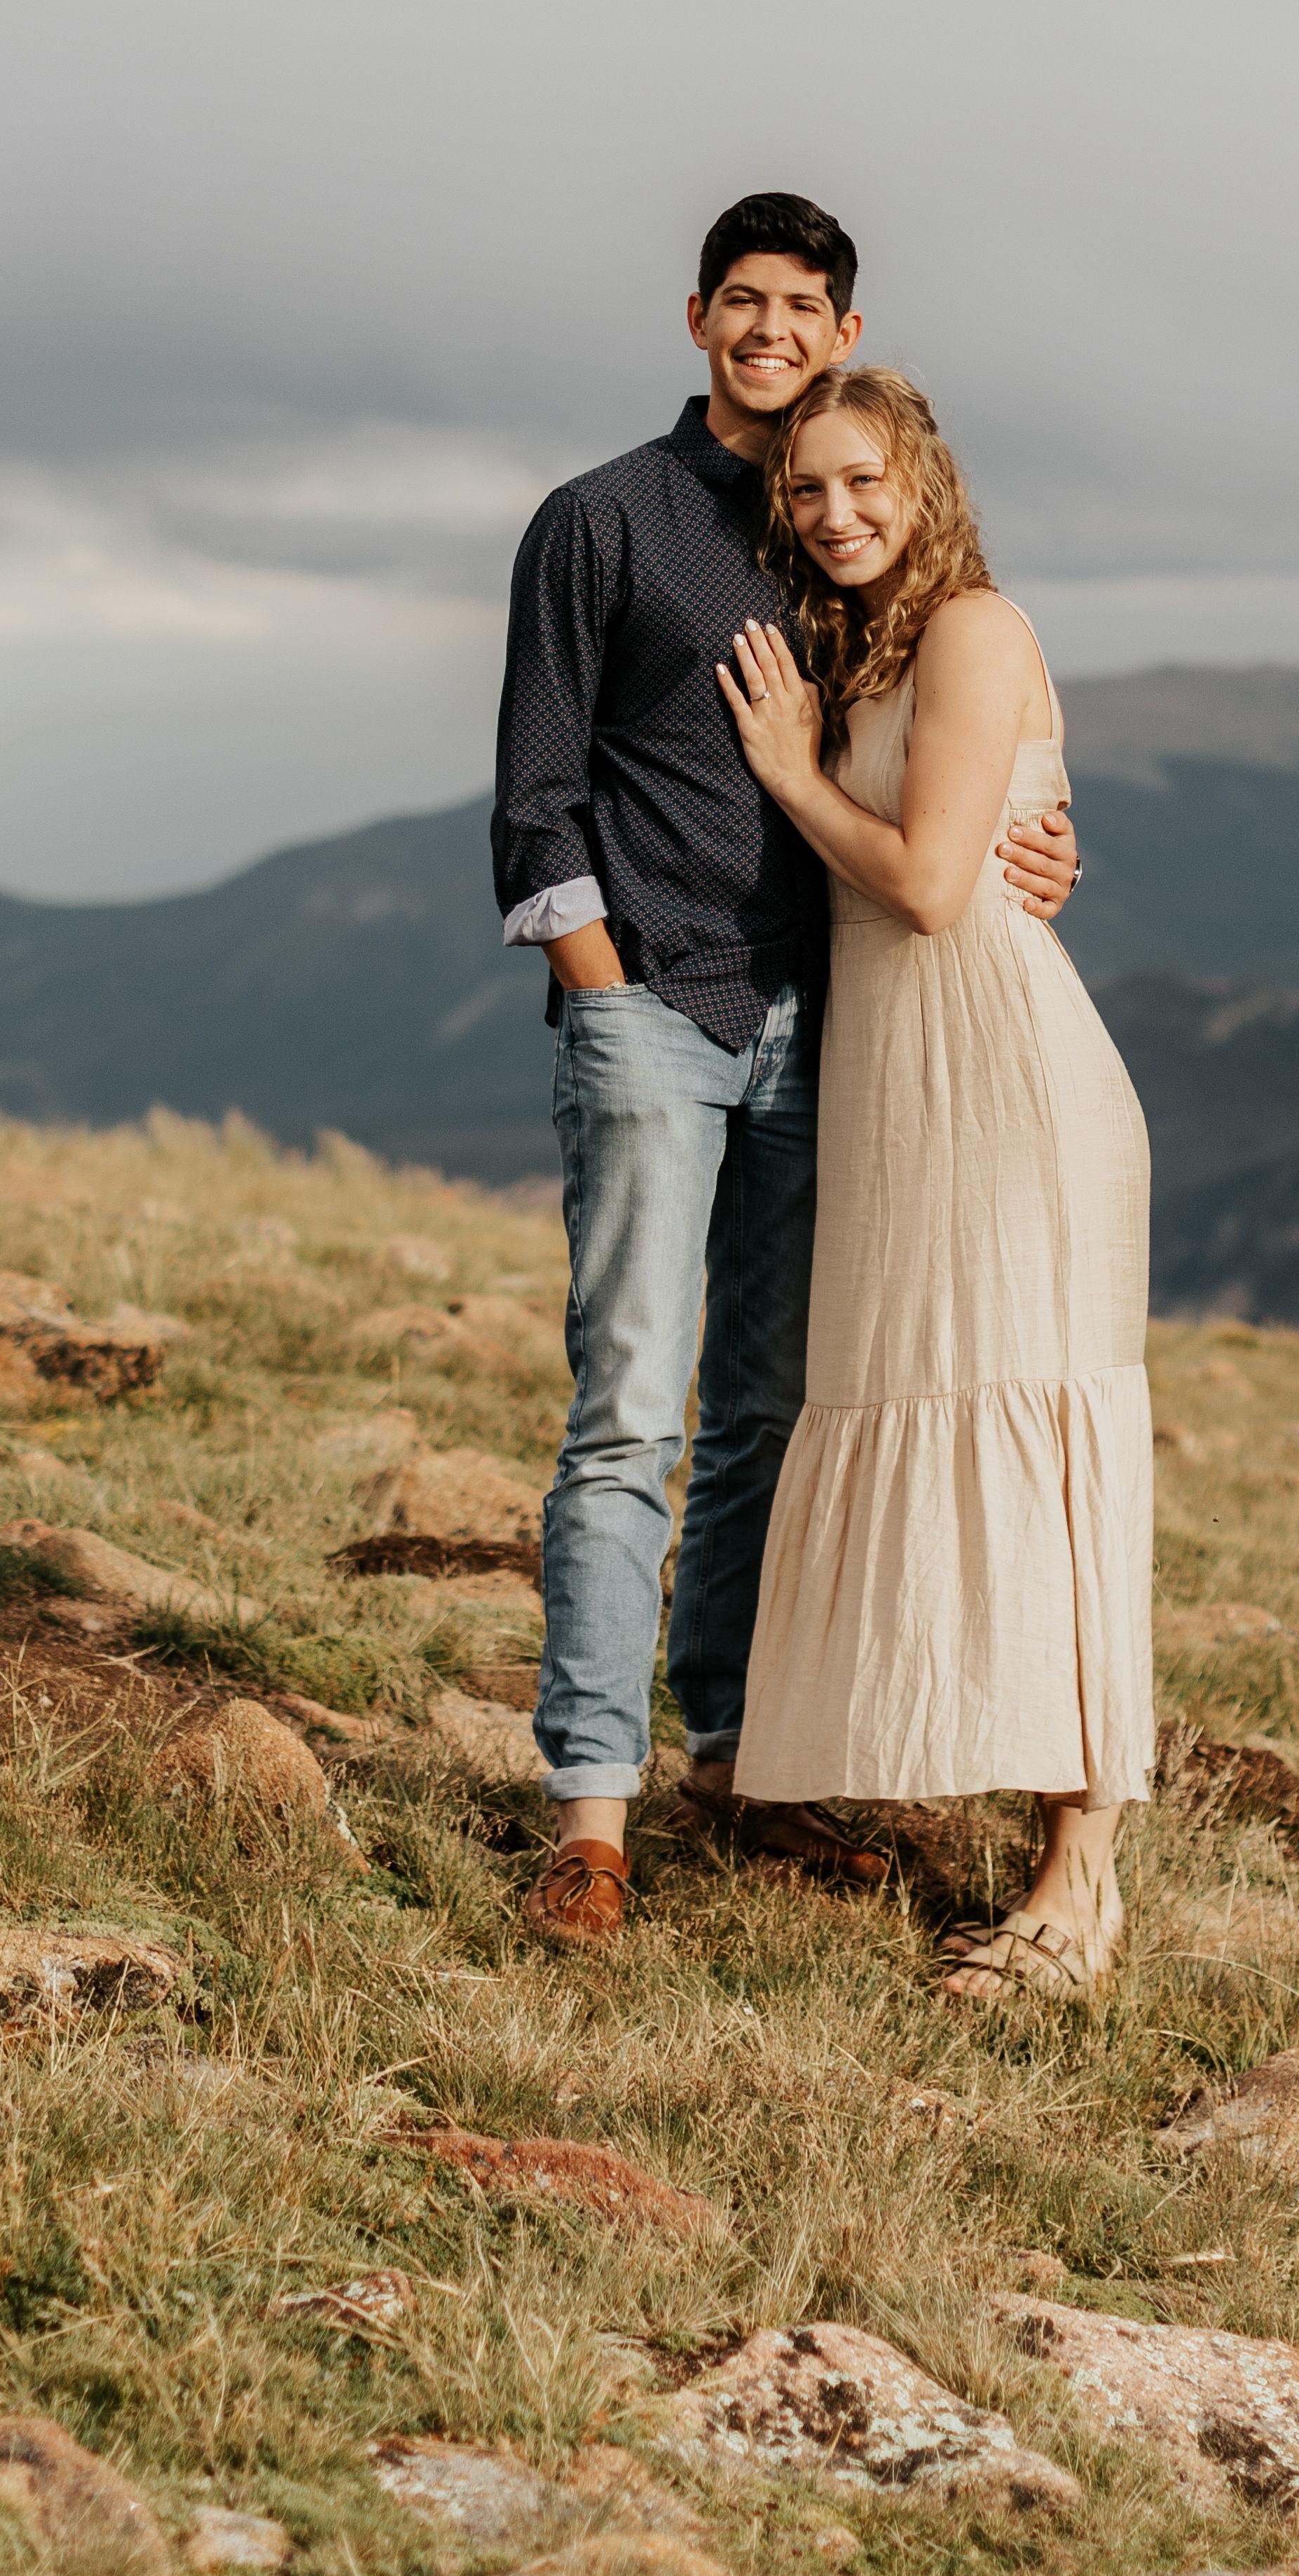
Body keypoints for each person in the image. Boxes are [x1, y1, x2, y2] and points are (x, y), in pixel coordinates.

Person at [487, 194, 1082, 1952]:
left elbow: (952, 746)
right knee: (629, 1412)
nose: (768, 330)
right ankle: (589, 1812)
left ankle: (740, 1769)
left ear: (843, 333)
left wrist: (1039, 844)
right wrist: (602, 991)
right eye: (740, 300)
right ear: (696, 319)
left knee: (768, 1417)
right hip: (654, 1012)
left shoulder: (850, 535)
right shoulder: (602, 521)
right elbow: (535, 794)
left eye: (800, 305)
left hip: (833, 1032)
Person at [714, 360, 1155, 2002]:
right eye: (806, 488)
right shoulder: (862, 646)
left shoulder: (971, 626)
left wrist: (790, 771)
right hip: (907, 1095)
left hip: (1011, 1093)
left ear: (924, 482)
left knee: (1042, 1443)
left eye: (862, 480)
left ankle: (1081, 1882)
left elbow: (920, 881)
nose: (834, 511)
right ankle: (945, 1785)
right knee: (928, 1410)